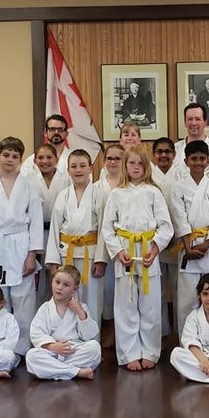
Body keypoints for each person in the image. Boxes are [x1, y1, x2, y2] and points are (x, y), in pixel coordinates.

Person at [101, 146, 173, 370]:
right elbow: (107, 228)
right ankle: (129, 353)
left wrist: (156, 248)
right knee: (126, 306)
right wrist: (117, 251)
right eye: (131, 163)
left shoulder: (154, 192)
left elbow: (166, 227)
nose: (135, 167)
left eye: (140, 163)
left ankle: (150, 351)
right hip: (126, 252)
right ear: (125, 165)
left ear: (146, 166)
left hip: (148, 251)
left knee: (150, 306)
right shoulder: (116, 193)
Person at [0, 136, 45, 355]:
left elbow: (36, 221)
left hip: (21, 244)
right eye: (6, 155)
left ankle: (23, 349)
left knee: (24, 298)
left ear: (21, 160)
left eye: (15, 156)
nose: (10, 159)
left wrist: (32, 255)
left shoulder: (29, 185)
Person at [169, 140, 209, 334]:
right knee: (187, 297)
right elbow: (179, 218)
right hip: (188, 246)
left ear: (208, 161)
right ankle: (188, 340)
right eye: (193, 159)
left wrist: (207, 245)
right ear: (186, 161)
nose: (198, 162)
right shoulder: (178, 187)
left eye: (202, 158)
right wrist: (188, 247)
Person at [45, 149, 106, 328]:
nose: (78, 170)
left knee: (93, 300)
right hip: (67, 254)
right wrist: (54, 260)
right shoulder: (63, 195)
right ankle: (68, 340)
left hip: (91, 254)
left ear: (90, 168)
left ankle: (92, 341)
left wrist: (102, 259)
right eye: (74, 166)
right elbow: (55, 228)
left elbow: (104, 228)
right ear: (68, 170)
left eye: (82, 166)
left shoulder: (99, 194)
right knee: (66, 298)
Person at [25, 265, 101, 380]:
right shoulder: (45, 308)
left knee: (94, 348)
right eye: (57, 282)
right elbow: (36, 333)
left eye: (66, 285)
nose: (59, 287)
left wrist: (79, 311)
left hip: (73, 349)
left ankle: (55, 370)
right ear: (52, 282)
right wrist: (52, 346)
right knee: (32, 356)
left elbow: (89, 335)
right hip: (52, 351)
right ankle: (76, 372)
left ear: (75, 289)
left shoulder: (81, 308)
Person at [25, 143, 70, 306]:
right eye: (40, 158)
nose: (45, 161)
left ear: (56, 159)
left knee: (57, 276)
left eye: (49, 157)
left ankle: (58, 315)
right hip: (35, 232)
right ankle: (37, 317)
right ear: (34, 160)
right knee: (36, 280)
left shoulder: (66, 178)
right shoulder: (28, 179)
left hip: (58, 233)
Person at [94, 143, 124, 348]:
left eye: (117, 158)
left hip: (126, 246)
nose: (112, 162)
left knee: (123, 294)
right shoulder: (96, 187)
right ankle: (108, 331)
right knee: (105, 293)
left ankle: (123, 334)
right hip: (102, 245)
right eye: (109, 158)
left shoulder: (129, 185)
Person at [150, 137, 180, 337]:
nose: (163, 155)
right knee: (157, 292)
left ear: (174, 155)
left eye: (167, 151)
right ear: (154, 155)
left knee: (180, 290)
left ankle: (181, 333)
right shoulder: (147, 174)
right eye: (159, 151)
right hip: (154, 241)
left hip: (179, 240)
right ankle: (159, 333)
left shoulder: (182, 174)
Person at [173, 103, 209, 181]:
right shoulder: (175, 149)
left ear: (205, 122)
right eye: (190, 119)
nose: (193, 123)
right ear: (185, 123)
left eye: (197, 119)